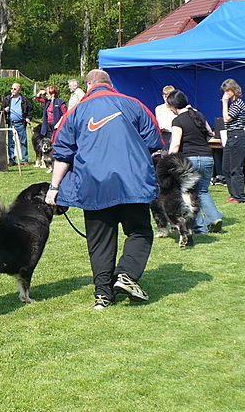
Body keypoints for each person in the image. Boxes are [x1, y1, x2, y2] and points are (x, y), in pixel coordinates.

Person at [45, 69, 163, 310]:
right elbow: (155, 144)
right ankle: (126, 276)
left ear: (88, 86)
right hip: (133, 184)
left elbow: (62, 155)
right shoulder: (134, 104)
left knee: (99, 242)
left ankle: (103, 295)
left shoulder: (75, 112)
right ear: (110, 84)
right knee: (139, 231)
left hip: (93, 186)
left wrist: (54, 188)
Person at [166, 89, 223, 233]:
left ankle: (199, 227)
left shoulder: (177, 120)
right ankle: (213, 218)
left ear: (173, 105)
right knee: (203, 191)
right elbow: (210, 135)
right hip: (207, 158)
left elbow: (176, 144)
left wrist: (168, 160)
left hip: (189, 160)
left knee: (190, 194)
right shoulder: (199, 115)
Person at [220, 78, 245, 203]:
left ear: (233, 90)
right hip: (231, 136)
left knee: (236, 168)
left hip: (237, 136)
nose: (225, 94)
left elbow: (227, 119)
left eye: (227, 91)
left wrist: (224, 103)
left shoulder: (238, 103)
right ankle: (233, 193)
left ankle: (240, 196)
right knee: (226, 167)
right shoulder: (233, 103)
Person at [2, 82, 33, 166]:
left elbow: (30, 110)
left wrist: (28, 118)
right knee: (11, 143)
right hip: (11, 124)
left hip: (21, 124)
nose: (12, 90)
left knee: (23, 142)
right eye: (11, 88)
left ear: (19, 90)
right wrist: (5, 110)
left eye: (14, 89)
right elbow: (2, 109)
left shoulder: (24, 100)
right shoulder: (7, 99)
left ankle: (25, 160)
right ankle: (12, 160)